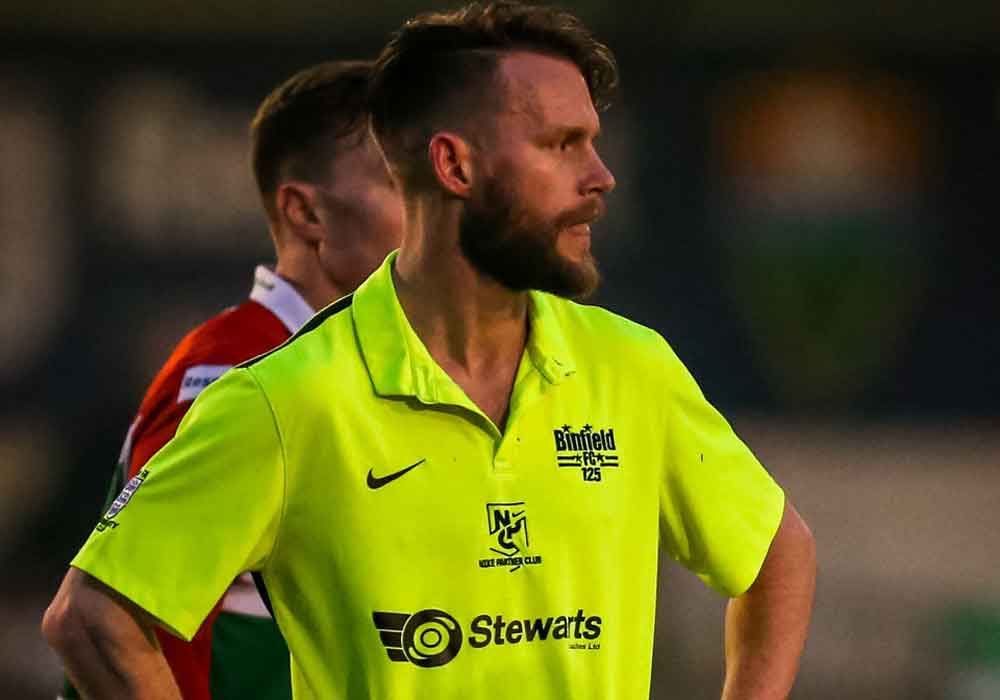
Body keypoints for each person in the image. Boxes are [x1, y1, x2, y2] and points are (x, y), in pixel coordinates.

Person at [43, 3, 816, 699]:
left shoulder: (631, 365)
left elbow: (778, 556)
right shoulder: (284, 397)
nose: (601, 177)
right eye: (561, 144)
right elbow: (92, 618)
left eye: (595, 143)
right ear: (454, 166)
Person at [55, 60, 403, 700]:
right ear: (306, 212)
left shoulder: (376, 367)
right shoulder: (232, 367)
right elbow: (110, 626)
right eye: (397, 180)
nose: (434, 212)